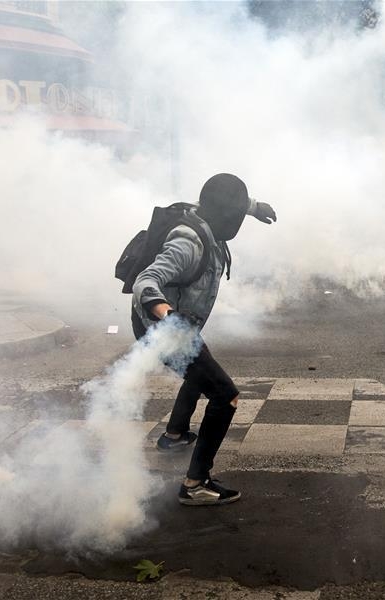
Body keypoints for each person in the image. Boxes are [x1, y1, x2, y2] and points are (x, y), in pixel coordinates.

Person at [132, 173, 276, 506]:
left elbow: (221, 202)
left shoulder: (204, 213)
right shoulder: (188, 242)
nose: (238, 221)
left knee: (199, 376)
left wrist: (254, 207)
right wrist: (167, 315)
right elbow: (146, 281)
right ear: (223, 215)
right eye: (237, 215)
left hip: (176, 328)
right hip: (164, 331)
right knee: (225, 396)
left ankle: (174, 435)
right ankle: (195, 485)